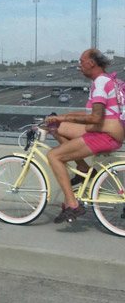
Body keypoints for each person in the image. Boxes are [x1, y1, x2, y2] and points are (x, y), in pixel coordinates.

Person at [44, 48, 124, 223]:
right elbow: (91, 113)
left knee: (53, 156)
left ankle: (72, 205)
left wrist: (66, 117)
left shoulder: (101, 83)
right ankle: (83, 169)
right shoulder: (108, 80)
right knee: (55, 127)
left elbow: (95, 117)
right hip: (107, 130)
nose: (79, 65)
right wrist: (61, 118)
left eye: (81, 61)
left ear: (92, 63)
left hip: (104, 134)